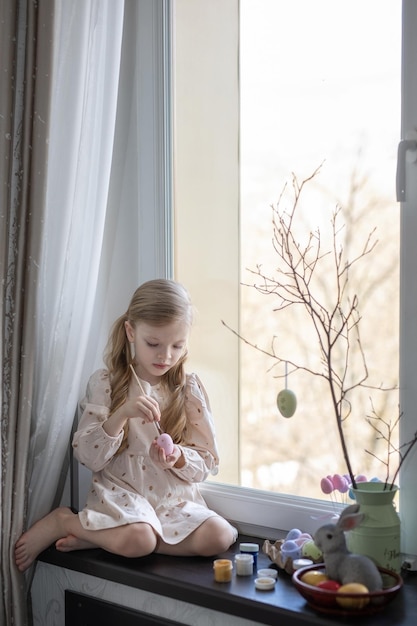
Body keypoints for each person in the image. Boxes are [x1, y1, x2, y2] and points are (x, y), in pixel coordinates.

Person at [15, 279, 237, 572]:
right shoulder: (107, 384)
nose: (165, 355)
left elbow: (207, 461)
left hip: (172, 500)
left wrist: (177, 458)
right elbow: (88, 456)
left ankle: (102, 536)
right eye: (153, 344)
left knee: (219, 536)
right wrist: (121, 414)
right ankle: (65, 521)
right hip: (124, 497)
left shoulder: (187, 390)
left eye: (177, 345)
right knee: (140, 539)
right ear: (131, 332)